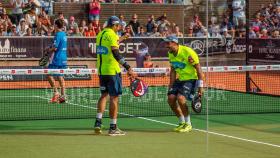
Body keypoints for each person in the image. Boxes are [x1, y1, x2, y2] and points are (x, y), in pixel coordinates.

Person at [94, 16, 135, 136]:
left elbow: (112, 43)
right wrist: (128, 67)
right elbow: (115, 53)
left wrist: (122, 38)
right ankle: (113, 127)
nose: (119, 28)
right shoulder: (112, 34)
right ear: (115, 25)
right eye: (119, 26)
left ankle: (98, 122)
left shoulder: (100, 34)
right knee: (114, 98)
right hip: (112, 71)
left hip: (102, 71)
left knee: (103, 95)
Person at [163, 35, 204, 133]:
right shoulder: (171, 54)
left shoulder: (188, 52)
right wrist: (171, 85)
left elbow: (198, 69)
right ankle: (182, 122)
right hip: (180, 79)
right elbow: (173, 71)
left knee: (181, 99)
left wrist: (200, 86)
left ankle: (188, 124)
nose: (166, 46)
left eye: (168, 43)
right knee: (171, 99)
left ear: (175, 43)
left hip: (191, 79)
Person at [47, 19, 67, 103]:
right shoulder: (64, 34)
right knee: (60, 76)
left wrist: (48, 50)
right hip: (64, 58)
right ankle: (63, 96)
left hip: (57, 58)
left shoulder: (57, 35)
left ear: (56, 25)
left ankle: (56, 92)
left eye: (54, 24)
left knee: (48, 74)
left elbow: (55, 48)